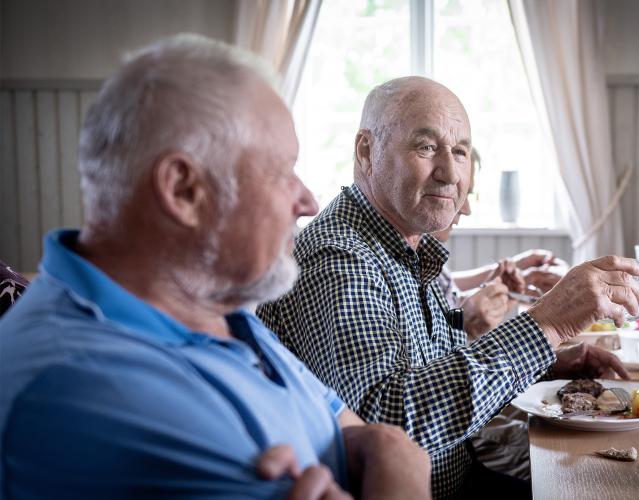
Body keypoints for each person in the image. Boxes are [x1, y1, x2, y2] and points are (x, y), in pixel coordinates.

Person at [0, 35, 431, 499]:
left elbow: (347, 427)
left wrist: (386, 444)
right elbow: (364, 444)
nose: (307, 201)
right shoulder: (86, 388)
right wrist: (402, 472)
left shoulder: (214, 304)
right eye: (282, 170)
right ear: (184, 190)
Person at [258, 76, 639, 499]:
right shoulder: (341, 258)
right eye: (426, 147)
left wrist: (546, 364)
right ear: (366, 151)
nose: (450, 172)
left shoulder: (405, 243)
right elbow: (387, 428)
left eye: (460, 151)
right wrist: (545, 325)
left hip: (463, 473)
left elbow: (434, 376)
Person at [431, 148, 567, 340]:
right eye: (455, 193)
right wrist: (462, 323)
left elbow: (446, 287)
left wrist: (504, 276)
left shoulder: (427, 253)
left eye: (468, 195)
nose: (467, 209)